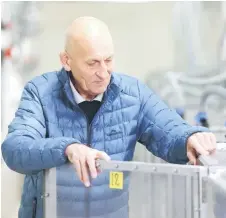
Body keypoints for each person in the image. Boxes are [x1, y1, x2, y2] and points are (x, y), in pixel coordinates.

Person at [1, 16, 216, 218]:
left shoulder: (133, 94)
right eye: (92, 63)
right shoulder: (40, 92)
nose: (103, 72)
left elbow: (170, 130)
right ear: (66, 60)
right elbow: (15, 148)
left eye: (108, 60)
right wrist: (67, 148)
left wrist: (191, 136)